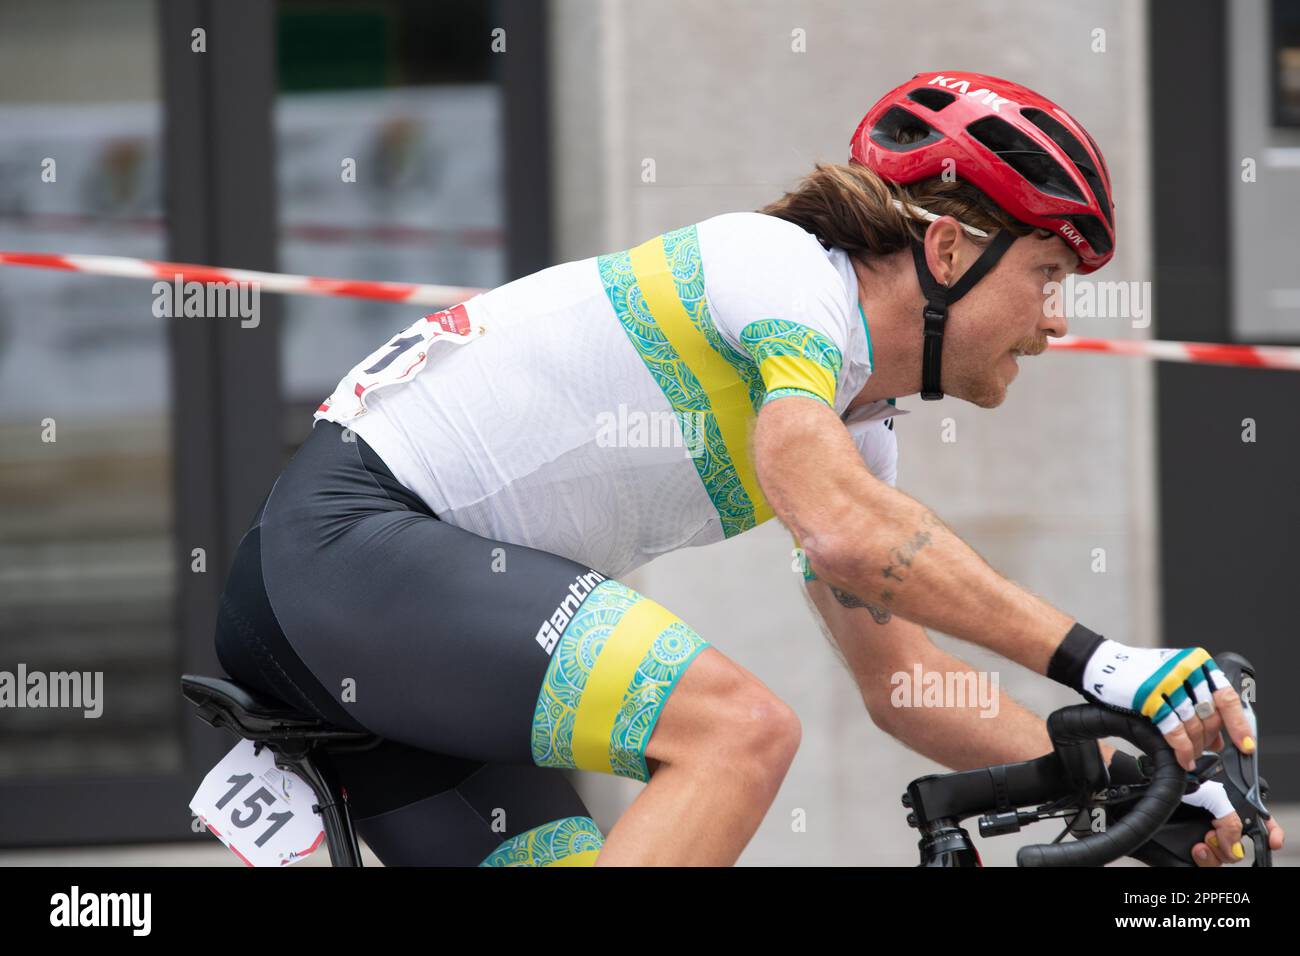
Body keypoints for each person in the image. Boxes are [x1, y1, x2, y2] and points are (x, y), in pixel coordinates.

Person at [213, 70, 1280, 866]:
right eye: (1047, 272)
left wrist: (1138, 791)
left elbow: (904, 686)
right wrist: (1102, 664)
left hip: (399, 641)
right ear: (949, 251)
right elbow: (840, 525)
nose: (1056, 320)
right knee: (738, 729)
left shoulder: (854, 427)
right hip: (346, 552)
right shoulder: (778, 275)